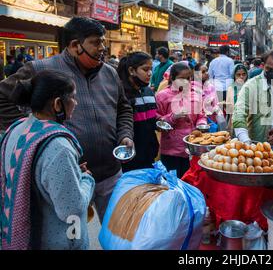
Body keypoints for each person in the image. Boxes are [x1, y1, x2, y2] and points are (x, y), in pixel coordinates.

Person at [0, 17, 134, 223]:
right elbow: (3, 97)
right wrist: (33, 132)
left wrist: (125, 135)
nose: (103, 48)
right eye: (96, 42)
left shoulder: (109, 73)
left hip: (111, 173)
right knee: (73, 238)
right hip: (68, 178)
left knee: (118, 234)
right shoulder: (40, 69)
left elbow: (124, 108)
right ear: (74, 45)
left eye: (103, 42)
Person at [0, 70, 95, 250]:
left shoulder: (17, 129)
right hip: (56, 242)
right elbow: (71, 210)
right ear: (58, 104)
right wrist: (86, 179)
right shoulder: (59, 147)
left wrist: (72, 173)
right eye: (73, 98)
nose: (76, 103)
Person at [156, 62, 207, 178]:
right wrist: (173, 117)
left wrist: (201, 124)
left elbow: (201, 115)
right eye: (181, 78)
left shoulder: (195, 95)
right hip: (171, 149)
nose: (185, 82)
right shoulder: (162, 96)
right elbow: (157, 121)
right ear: (172, 78)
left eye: (188, 78)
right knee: (172, 183)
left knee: (189, 179)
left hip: (192, 146)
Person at [117, 52, 159, 172]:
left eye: (151, 69)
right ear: (132, 70)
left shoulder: (148, 92)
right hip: (130, 156)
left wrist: (158, 122)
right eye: (145, 69)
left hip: (149, 153)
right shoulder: (121, 94)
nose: (150, 73)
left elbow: (150, 118)